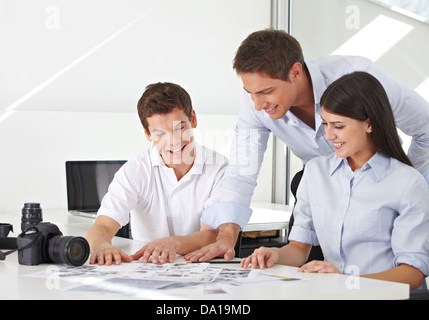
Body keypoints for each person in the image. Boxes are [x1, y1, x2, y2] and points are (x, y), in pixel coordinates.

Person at [184, 29, 429, 263]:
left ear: (296, 73)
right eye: (250, 93)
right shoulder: (256, 105)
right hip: (317, 185)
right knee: (306, 270)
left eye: (267, 91)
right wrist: (226, 238)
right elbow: (241, 174)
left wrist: (400, 184)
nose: (257, 104)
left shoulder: (358, 77)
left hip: (376, 186)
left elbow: (426, 129)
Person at [240, 72, 429, 289]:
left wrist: (347, 281)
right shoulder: (315, 172)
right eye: (326, 124)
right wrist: (274, 255)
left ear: (369, 124)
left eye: (338, 126)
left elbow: (412, 273)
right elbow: (299, 249)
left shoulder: (408, 183)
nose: (328, 136)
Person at [86, 82, 228, 265]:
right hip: (148, 267)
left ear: (192, 119)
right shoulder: (135, 170)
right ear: (147, 134)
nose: (174, 142)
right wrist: (101, 245)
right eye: (160, 134)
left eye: (180, 128)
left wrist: (173, 243)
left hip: (200, 268)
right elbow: (103, 226)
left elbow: (212, 235)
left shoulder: (220, 168)